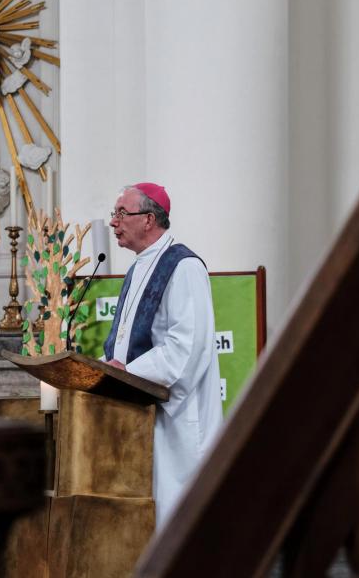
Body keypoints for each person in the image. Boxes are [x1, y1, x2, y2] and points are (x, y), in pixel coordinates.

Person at [103, 183, 224, 529]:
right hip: (143, 406)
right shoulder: (140, 266)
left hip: (177, 418)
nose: (114, 222)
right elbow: (124, 342)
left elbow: (188, 347)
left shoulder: (183, 266)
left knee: (179, 521)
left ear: (149, 219)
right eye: (114, 213)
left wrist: (128, 371)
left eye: (122, 213)